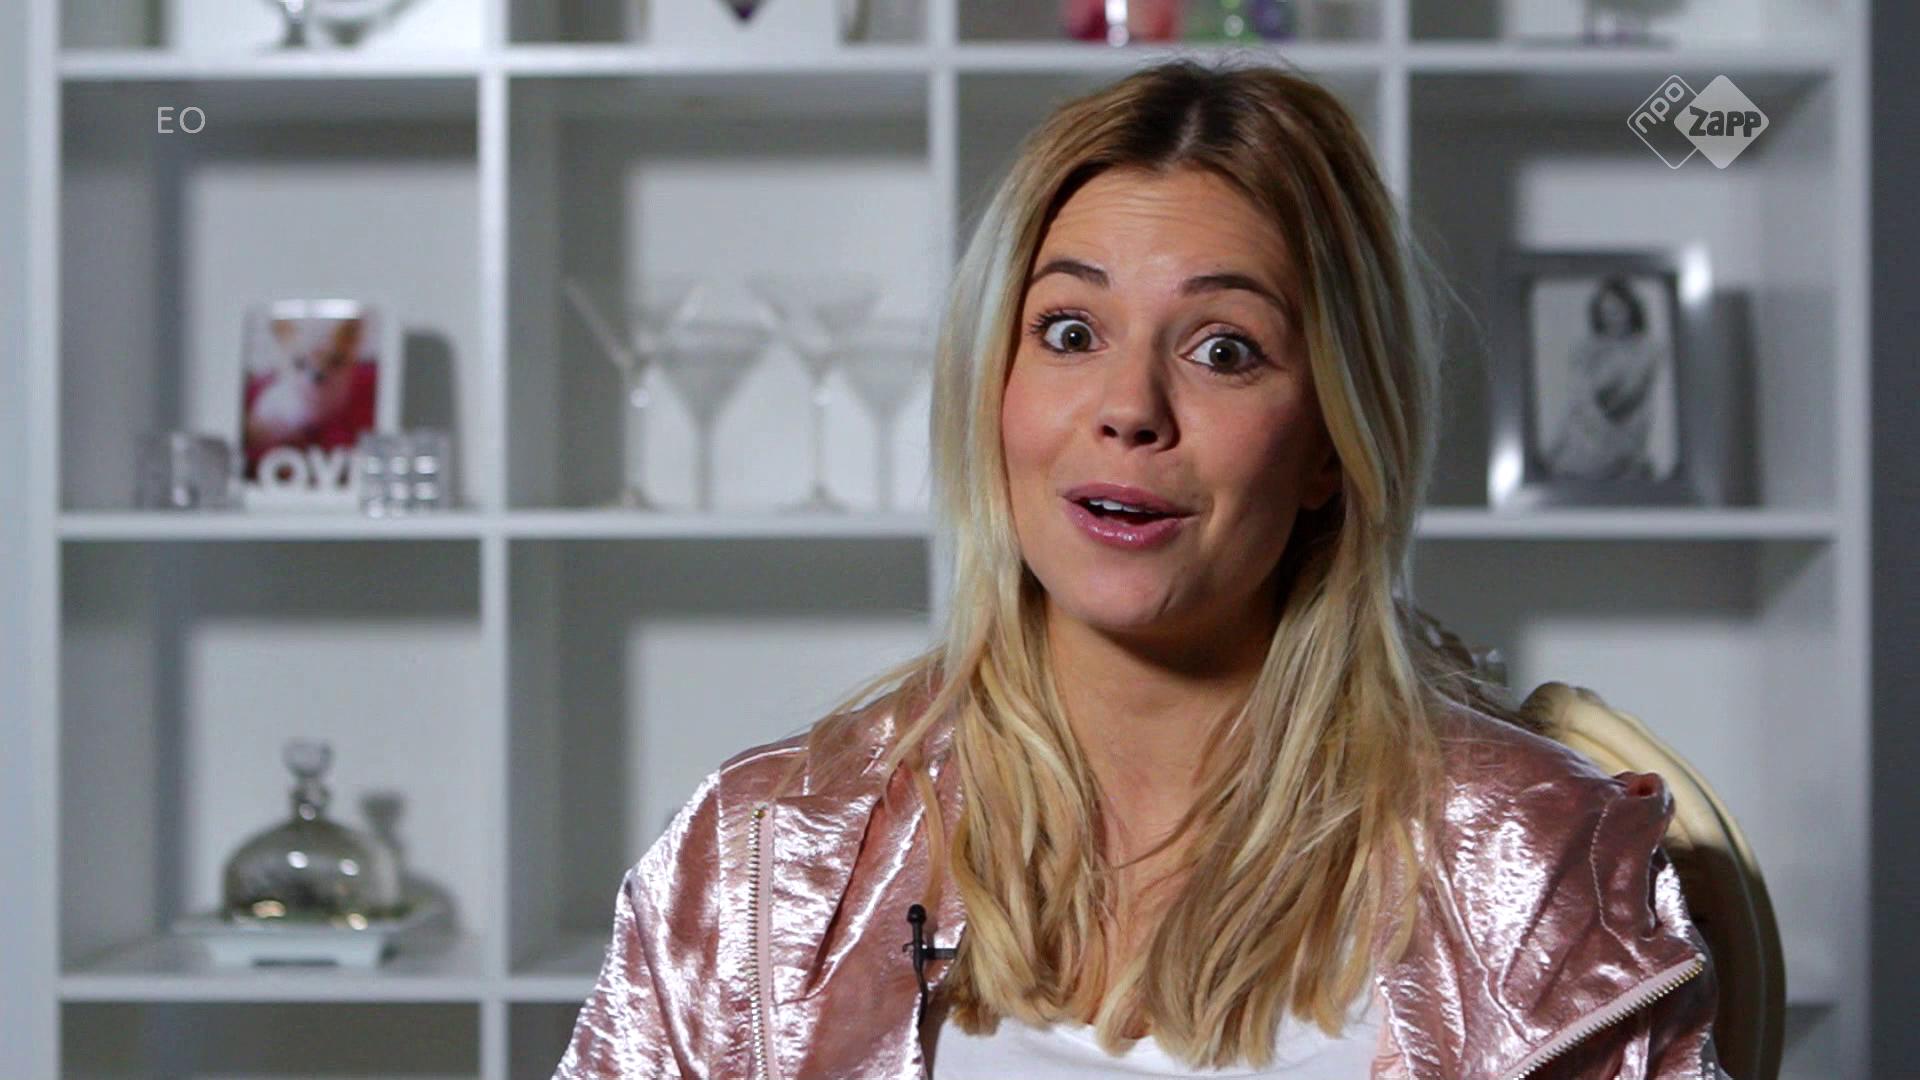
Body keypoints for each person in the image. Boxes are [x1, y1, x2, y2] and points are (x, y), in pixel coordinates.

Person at [552, 58, 1727, 1079]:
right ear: (992, 391)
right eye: (1070, 332)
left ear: (1331, 445)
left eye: (1225, 350)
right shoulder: (761, 860)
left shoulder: (1537, 870)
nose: (1129, 408)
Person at [1541, 276, 1666, 481]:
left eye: (1617, 311)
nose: (1611, 319)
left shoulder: (1647, 350)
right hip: (1584, 436)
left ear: (1631, 310)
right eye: (1605, 313)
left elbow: (1625, 400)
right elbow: (1578, 404)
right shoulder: (1587, 349)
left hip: (1619, 439)